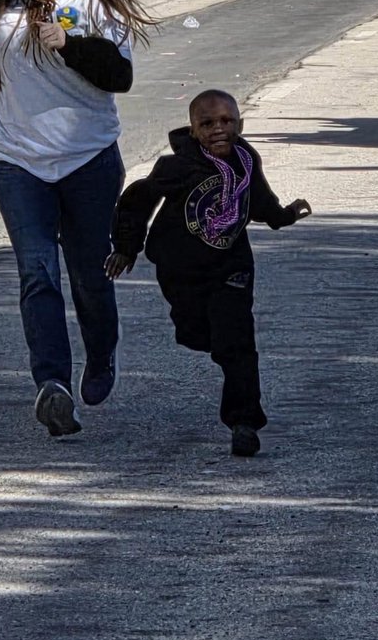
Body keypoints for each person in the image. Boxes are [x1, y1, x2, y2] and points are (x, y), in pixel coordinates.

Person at [0, 0, 154, 438]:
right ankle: (52, 385)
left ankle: (102, 355)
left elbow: (119, 77)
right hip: (18, 162)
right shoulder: (4, 5)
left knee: (89, 272)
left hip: (87, 158)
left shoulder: (95, 4)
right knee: (37, 273)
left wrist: (69, 44)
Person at [106, 90, 311, 457]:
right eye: (208, 123)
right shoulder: (178, 167)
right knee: (198, 335)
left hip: (231, 267)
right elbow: (138, 201)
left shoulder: (246, 160)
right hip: (180, 270)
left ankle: (243, 422)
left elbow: (258, 200)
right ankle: (215, 341)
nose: (219, 129)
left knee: (238, 342)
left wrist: (284, 216)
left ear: (240, 124)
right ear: (194, 129)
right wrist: (126, 246)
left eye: (227, 121)